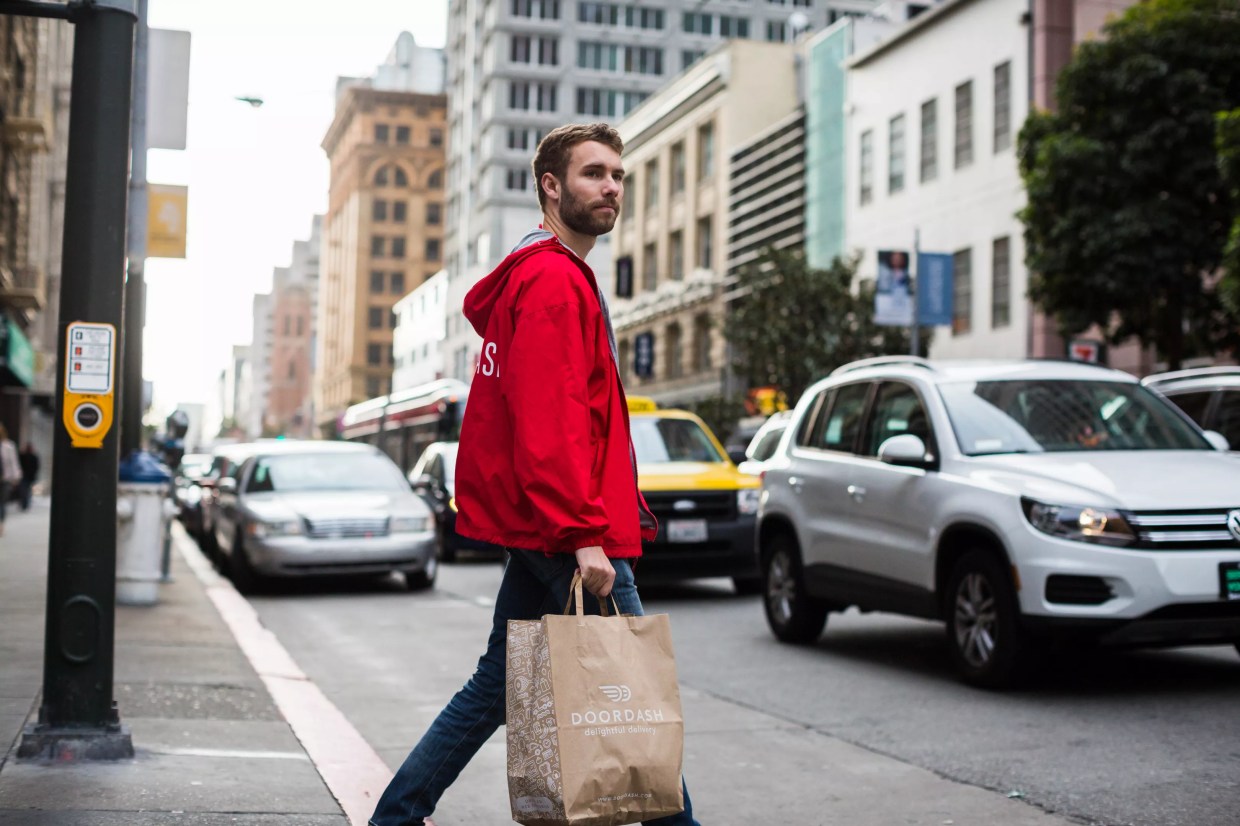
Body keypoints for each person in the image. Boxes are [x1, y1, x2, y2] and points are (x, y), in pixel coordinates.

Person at [369, 123, 700, 826]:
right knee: (636, 697)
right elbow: (551, 424)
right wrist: (584, 536)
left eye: (617, 175)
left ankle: (395, 816)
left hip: (546, 524)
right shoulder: (551, 280)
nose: (611, 187)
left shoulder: (545, 274)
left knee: (495, 686)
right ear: (551, 187)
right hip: (569, 529)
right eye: (593, 174)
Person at [0, 424, 20, 536]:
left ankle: (1, 524)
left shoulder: (8, 446)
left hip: (5, 479)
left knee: (2, 503)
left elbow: (13, 462)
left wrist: (16, 477)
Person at [18, 442, 39, 511]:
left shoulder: (33, 457)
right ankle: (25, 503)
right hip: (25, 476)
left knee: (26, 490)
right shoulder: (23, 456)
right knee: (25, 490)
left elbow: (36, 467)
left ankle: (26, 503)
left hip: (28, 476)